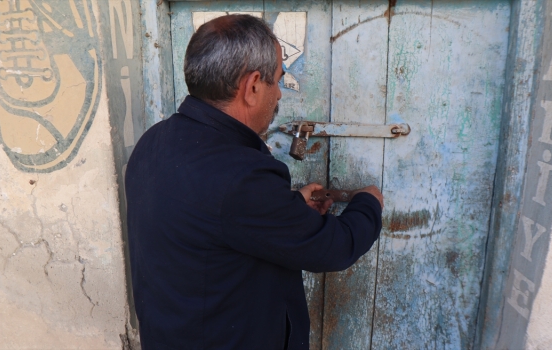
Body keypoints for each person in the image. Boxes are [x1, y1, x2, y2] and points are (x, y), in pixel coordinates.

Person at [125, 14, 383, 349]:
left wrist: (287, 205)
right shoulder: (241, 175)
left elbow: (215, 219)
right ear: (253, 86)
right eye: (277, 81)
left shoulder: (154, 141)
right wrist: (368, 203)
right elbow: (332, 248)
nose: (278, 95)